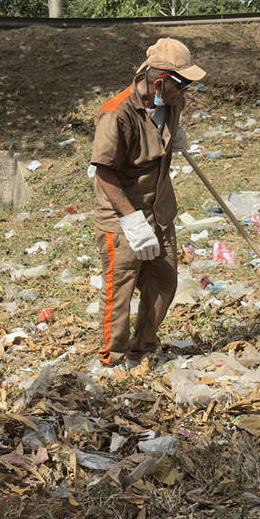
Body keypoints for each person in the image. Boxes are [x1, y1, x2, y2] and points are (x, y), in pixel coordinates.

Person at [90, 37, 204, 365]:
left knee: (164, 281)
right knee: (119, 290)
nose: (186, 93)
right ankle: (113, 358)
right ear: (162, 81)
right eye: (183, 85)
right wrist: (132, 220)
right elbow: (104, 174)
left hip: (160, 209)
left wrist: (176, 134)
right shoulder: (117, 115)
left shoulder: (172, 102)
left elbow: (166, 131)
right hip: (122, 214)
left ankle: (142, 349)